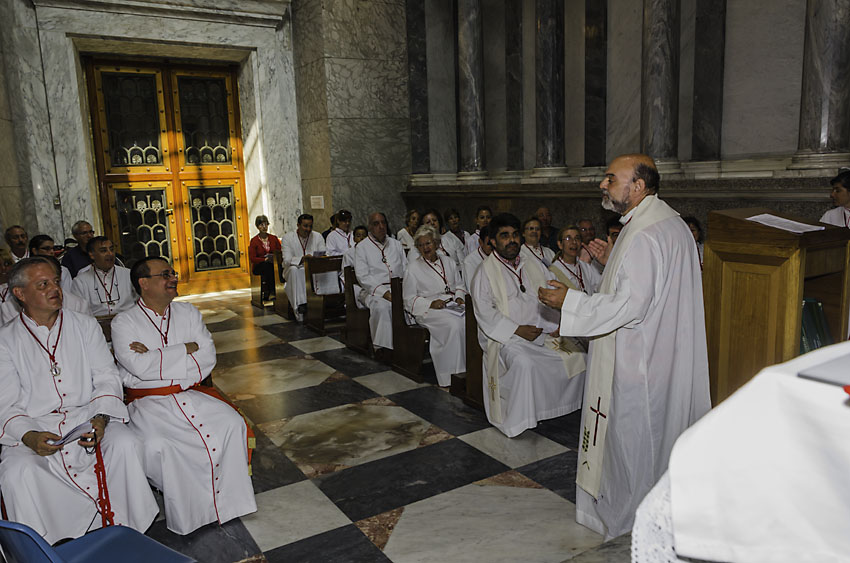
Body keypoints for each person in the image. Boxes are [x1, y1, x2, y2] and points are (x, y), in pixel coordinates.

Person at [538, 153, 710, 539]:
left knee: (633, 445)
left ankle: (630, 525)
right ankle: (660, 515)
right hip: (665, 353)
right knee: (658, 442)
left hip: (638, 361)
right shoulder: (668, 222)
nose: (603, 184)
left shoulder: (644, 234)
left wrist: (570, 301)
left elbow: (631, 305)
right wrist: (612, 261)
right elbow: (648, 286)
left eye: (611, 179)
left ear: (638, 186)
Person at [0, 257, 158, 544]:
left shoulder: (84, 325)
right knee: (16, 472)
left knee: (125, 443)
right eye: (43, 284)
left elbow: (106, 376)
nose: (55, 289)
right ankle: (49, 547)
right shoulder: (5, 339)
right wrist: (29, 435)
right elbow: (5, 402)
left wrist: (101, 418)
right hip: (36, 424)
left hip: (87, 416)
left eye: (55, 282)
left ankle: (130, 533)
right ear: (20, 293)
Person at [110, 256, 257, 535]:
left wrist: (156, 358)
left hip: (189, 392)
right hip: (148, 402)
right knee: (161, 445)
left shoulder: (188, 312)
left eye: (172, 273)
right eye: (165, 274)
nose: (173, 278)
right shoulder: (123, 322)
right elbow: (137, 367)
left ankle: (229, 504)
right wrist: (183, 350)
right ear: (144, 283)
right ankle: (192, 512)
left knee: (230, 423)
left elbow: (207, 357)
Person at [470, 213, 586, 438]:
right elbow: (484, 313)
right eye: (504, 236)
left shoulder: (532, 264)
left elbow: (550, 297)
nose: (511, 240)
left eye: (515, 235)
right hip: (507, 339)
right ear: (492, 241)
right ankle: (520, 420)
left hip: (542, 333)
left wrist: (556, 323)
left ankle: (558, 408)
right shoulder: (484, 272)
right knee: (525, 364)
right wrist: (517, 330)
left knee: (579, 357)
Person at [403, 225, 466, 387]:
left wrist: (459, 297)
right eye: (421, 245)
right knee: (454, 325)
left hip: (452, 305)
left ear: (437, 243)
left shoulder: (449, 261)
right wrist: (430, 303)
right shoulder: (413, 268)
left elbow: (460, 285)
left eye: (428, 243)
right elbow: (409, 299)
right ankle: (451, 375)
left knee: (470, 320)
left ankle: (470, 370)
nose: (425, 248)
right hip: (427, 310)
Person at [354, 212, 407, 355]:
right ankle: (383, 348)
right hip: (372, 291)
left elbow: (406, 268)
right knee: (383, 306)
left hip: (398, 288)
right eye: (376, 224)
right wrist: (384, 293)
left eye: (383, 222)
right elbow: (363, 276)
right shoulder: (362, 247)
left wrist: (405, 288)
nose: (381, 226)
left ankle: (408, 342)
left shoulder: (396, 244)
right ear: (370, 227)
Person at [72, 236, 136, 317]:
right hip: (95, 323)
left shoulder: (128, 274)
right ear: (92, 255)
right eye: (103, 251)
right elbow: (78, 313)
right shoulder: (80, 281)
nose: (110, 254)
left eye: (111, 249)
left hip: (129, 321)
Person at [281, 214, 327, 320]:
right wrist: (302, 259)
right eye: (305, 226)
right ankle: (300, 307)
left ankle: (323, 304)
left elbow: (323, 252)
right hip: (293, 269)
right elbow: (287, 260)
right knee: (295, 271)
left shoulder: (317, 236)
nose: (308, 229)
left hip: (314, 268)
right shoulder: (288, 238)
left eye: (310, 226)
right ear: (298, 225)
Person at [549, 226, 602, 296]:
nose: (574, 242)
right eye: (568, 238)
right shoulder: (554, 271)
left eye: (577, 238)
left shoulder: (586, 266)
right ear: (560, 244)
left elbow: (601, 285)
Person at [248, 215, 282, 302]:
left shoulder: (273, 238)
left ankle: (280, 291)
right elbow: (252, 258)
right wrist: (264, 260)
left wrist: (273, 257)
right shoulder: (254, 241)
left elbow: (280, 252)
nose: (264, 227)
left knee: (277, 267)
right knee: (268, 267)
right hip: (259, 266)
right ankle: (272, 292)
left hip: (273, 263)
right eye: (261, 225)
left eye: (266, 224)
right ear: (257, 226)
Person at [462, 224, 492, 291]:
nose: (493, 247)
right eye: (489, 244)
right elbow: (473, 289)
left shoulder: (500, 255)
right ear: (480, 242)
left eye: (495, 243)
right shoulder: (469, 262)